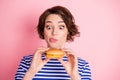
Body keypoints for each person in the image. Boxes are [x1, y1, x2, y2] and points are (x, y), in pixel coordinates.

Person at [15, 6, 92, 80]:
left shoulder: (82, 66)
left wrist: (75, 76)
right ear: (43, 31)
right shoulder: (27, 62)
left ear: (68, 31)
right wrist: (31, 73)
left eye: (61, 27)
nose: (54, 32)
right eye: (49, 27)